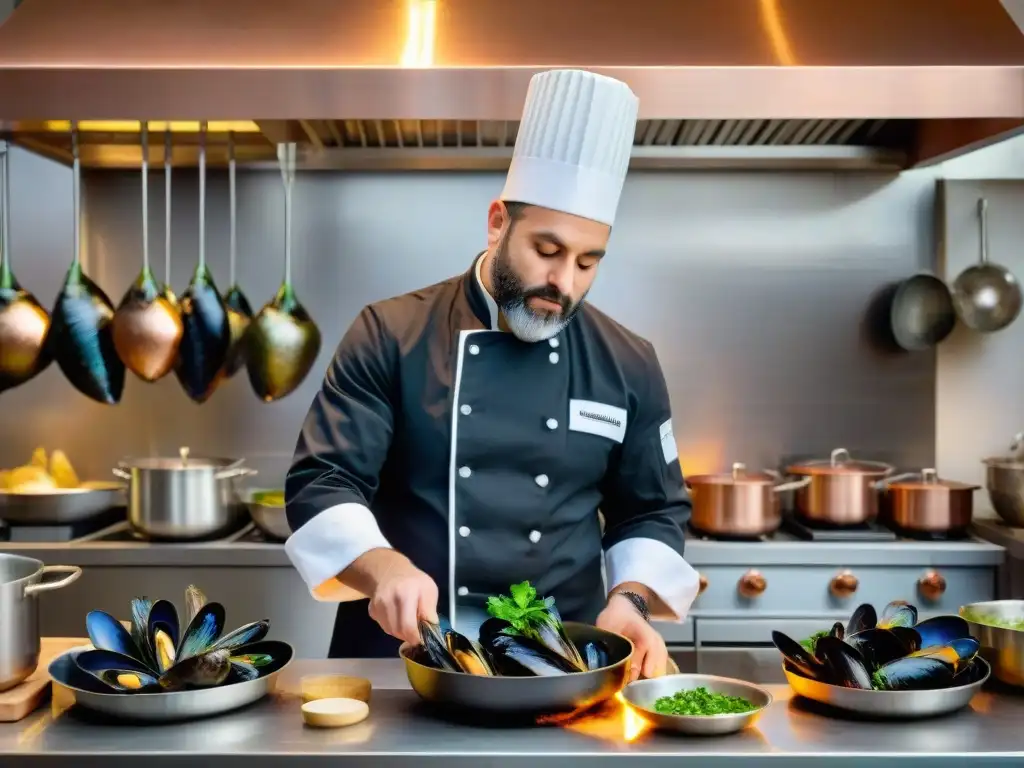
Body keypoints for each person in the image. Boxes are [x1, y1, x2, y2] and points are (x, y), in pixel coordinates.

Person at [284, 68, 701, 679]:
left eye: (589, 262)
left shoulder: (628, 361)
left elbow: (653, 511)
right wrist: (381, 564)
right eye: (548, 251)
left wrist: (630, 599)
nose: (565, 284)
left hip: (564, 666)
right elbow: (323, 481)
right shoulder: (391, 333)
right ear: (497, 222)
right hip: (403, 659)